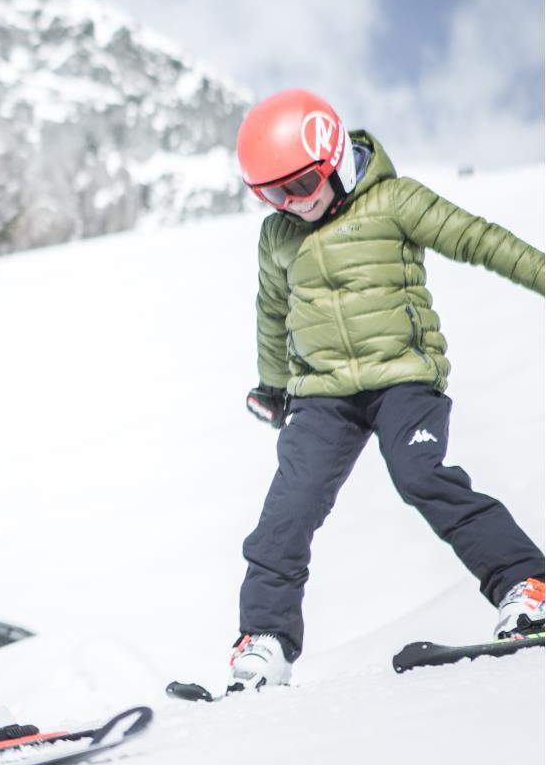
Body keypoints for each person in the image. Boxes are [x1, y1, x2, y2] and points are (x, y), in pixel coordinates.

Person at [228, 88, 545, 694]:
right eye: (271, 195)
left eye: (297, 186)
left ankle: (526, 586)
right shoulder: (278, 237)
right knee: (288, 508)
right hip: (322, 395)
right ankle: (264, 639)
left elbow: (480, 239)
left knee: (421, 476)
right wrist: (273, 386)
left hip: (404, 377)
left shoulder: (395, 201)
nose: (289, 205)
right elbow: (273, 312)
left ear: (331, 159)